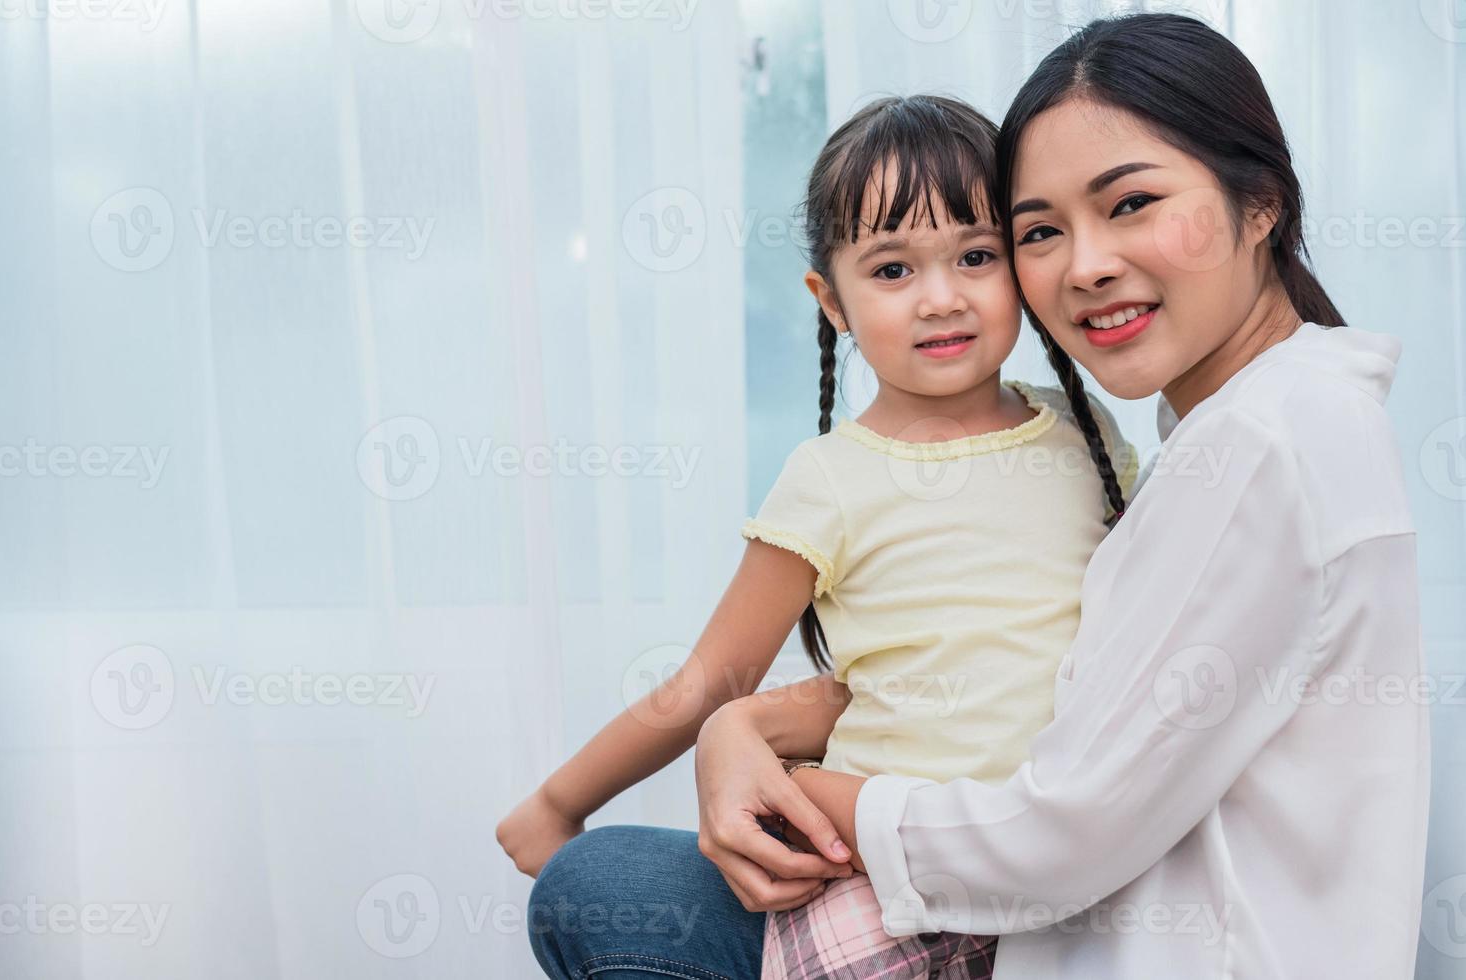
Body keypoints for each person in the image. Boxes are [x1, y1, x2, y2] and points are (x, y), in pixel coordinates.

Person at [697, 13, 1430, 979]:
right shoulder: (1237, 431)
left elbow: (1054, 838)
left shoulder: (1267, 444)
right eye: (1040, 230)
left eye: (1129, 203)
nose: (1083, 266)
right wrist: (737, 726)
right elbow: (1007, 668)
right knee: (616, 884)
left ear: (1263, 204)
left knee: (608, 888)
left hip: (1090, 926)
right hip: (1047, 913)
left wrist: (802, 786)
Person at [517, 93, 1137, 980]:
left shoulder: (1086, 436)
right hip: (883, 863)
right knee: (601, 885)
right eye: (892, 269)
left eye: (976, 255)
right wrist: (556, 801)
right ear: (830, 300)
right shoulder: (831, 479)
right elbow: (712, 680)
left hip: (1056, 862)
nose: (941, 297)